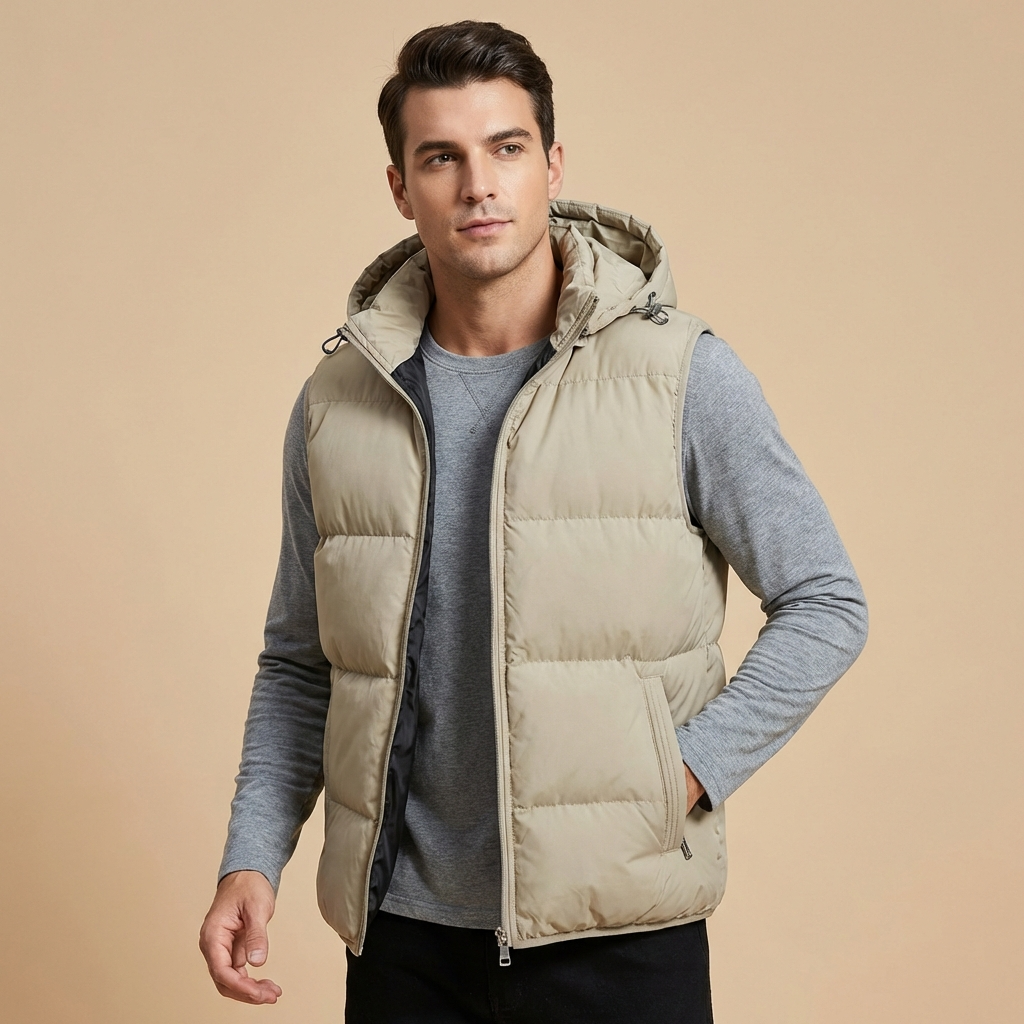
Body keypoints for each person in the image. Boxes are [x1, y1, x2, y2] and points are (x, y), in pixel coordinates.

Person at [198, 20, 868, 1023]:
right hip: (403, 945)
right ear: (401, 188)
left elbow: (825, 602)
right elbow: (302, 665)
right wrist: (251, 857)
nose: (479, 185)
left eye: (505, 148)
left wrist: (679, 775)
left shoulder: (679, 376)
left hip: (619, 942)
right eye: (442, 158)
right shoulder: (339, 400)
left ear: (551, 165)